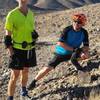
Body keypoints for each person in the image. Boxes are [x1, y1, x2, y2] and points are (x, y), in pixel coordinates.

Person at [27, 13, 89, 90]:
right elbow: (60, 43)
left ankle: (78, 68)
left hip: (74, 52)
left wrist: (82, 51)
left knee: (86, 55)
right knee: (48, 68)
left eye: (79, 22)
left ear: (82, 24)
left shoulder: (84, 32)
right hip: (61, 53)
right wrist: (74, 49)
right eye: (75, 21)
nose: (76, 23)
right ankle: (34, 81)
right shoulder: (67, 30)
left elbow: (86, 46)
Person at [4, 0, 38, 100]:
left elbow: (31, 29)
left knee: (26, 71)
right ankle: (10, 98)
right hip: (17, 49)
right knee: (15, 75)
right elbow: (8, 36)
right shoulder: (12, 14)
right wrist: (11, 51)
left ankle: (23, 91)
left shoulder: (31, 14)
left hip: (30, 48)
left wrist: (34, 35)